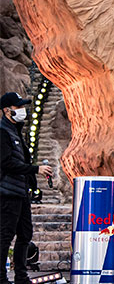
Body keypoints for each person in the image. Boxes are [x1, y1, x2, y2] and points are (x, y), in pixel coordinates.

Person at [1, 92, 54, 284]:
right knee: (5, 235)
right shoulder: (2, 132)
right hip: (7, 193)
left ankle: (21, 276)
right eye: (17, 107)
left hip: (21, 192)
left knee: (25, 234)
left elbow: (21, 160)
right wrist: (35, 169)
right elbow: (6, 163)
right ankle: (1, 277)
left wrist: (32, 179)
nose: (22, 110)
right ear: (7, 110)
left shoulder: (16, 131)